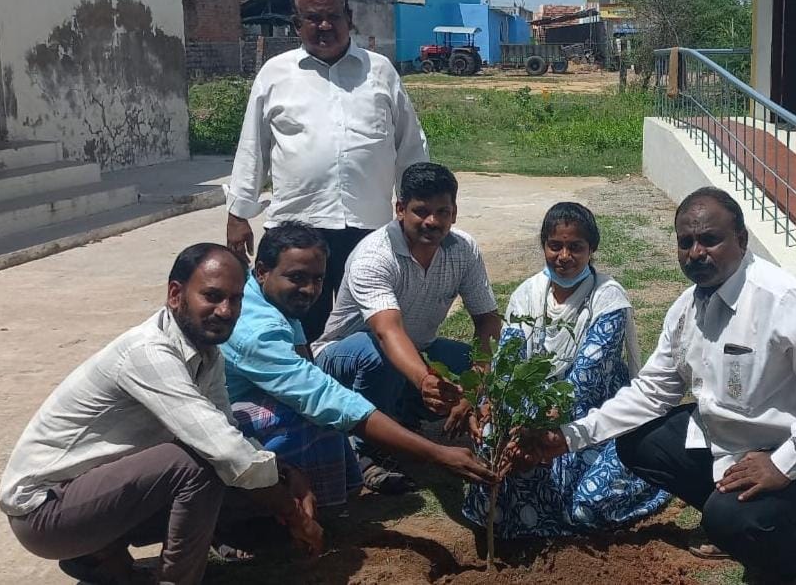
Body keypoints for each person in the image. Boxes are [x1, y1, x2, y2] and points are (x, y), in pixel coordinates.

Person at [510, 187, 796, 583]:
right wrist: (568, 437)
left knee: (727, 518)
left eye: (709, 239)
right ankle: (737, 525)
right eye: (686, 242)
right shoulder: (686, 309)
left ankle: (795, 550)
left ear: (742, 240)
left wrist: (785, 462)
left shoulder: (782, 298)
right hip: (732, 441)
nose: (696, 252)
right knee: (638, 441)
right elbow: (651, 391)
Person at [0, 244, 322, 585]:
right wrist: (293, 513)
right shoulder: (147, 353)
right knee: (198, 463)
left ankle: (101, 561)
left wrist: (287, 473)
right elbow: (224, 451)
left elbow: (227, 431)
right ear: (175, 294)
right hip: (44, 514)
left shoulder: (208, 355)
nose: (226, 311)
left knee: (244, 472)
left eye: (235, 299)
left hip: (86, 498)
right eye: (212, 296)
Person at [222, 220, 496, 502]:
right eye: (297, 278)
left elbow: (308, 369)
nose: (309, 289)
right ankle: (254, 508)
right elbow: (324, 396)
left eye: (317, 279)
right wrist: (436, 454)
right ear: (262, 271)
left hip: (278, 391)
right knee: (312, 412)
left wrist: (473, 390)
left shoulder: (269, 300)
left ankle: (393, 423)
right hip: (229, 423)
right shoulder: (259, 332)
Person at [226, 0, 430, 342]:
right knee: (297, 329)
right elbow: (252, 146)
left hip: (369, 228)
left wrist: (417, 211)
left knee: (371, 329)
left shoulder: (379, 71)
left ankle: (366, 398)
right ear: (296, 23)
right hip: (297, 229)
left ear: (349, 18)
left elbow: (411, 146)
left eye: (333, 16)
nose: (324, 26)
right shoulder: (275, 74)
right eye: (313, 18)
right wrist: (239, 212)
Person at [462, 203, 669, 537]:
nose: (564, 256)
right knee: (494, 449)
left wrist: (537, 430)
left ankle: (645, 481)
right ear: (543, 245)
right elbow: (509, 363)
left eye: (576, 247)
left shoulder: (607, 300)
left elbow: (583, 383)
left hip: (592, 413)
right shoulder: (527, 295)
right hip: (535, 404)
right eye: (554, 245)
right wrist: (498, 411)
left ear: (592, 250)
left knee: (585, 504)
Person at [314, 162, 502, 492]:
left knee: (486, 361)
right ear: (400, 209)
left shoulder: (463, 249)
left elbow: (487, 320)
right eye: (421, 211)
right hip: (343, 358)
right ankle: (364, 452)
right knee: (377, 353)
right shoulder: (374, 255)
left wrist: (474, 385)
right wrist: (426, 380)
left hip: (414, 353)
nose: (432, 221)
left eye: (442, 212)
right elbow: (387, 331)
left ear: (454, 213)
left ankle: (405, 414)